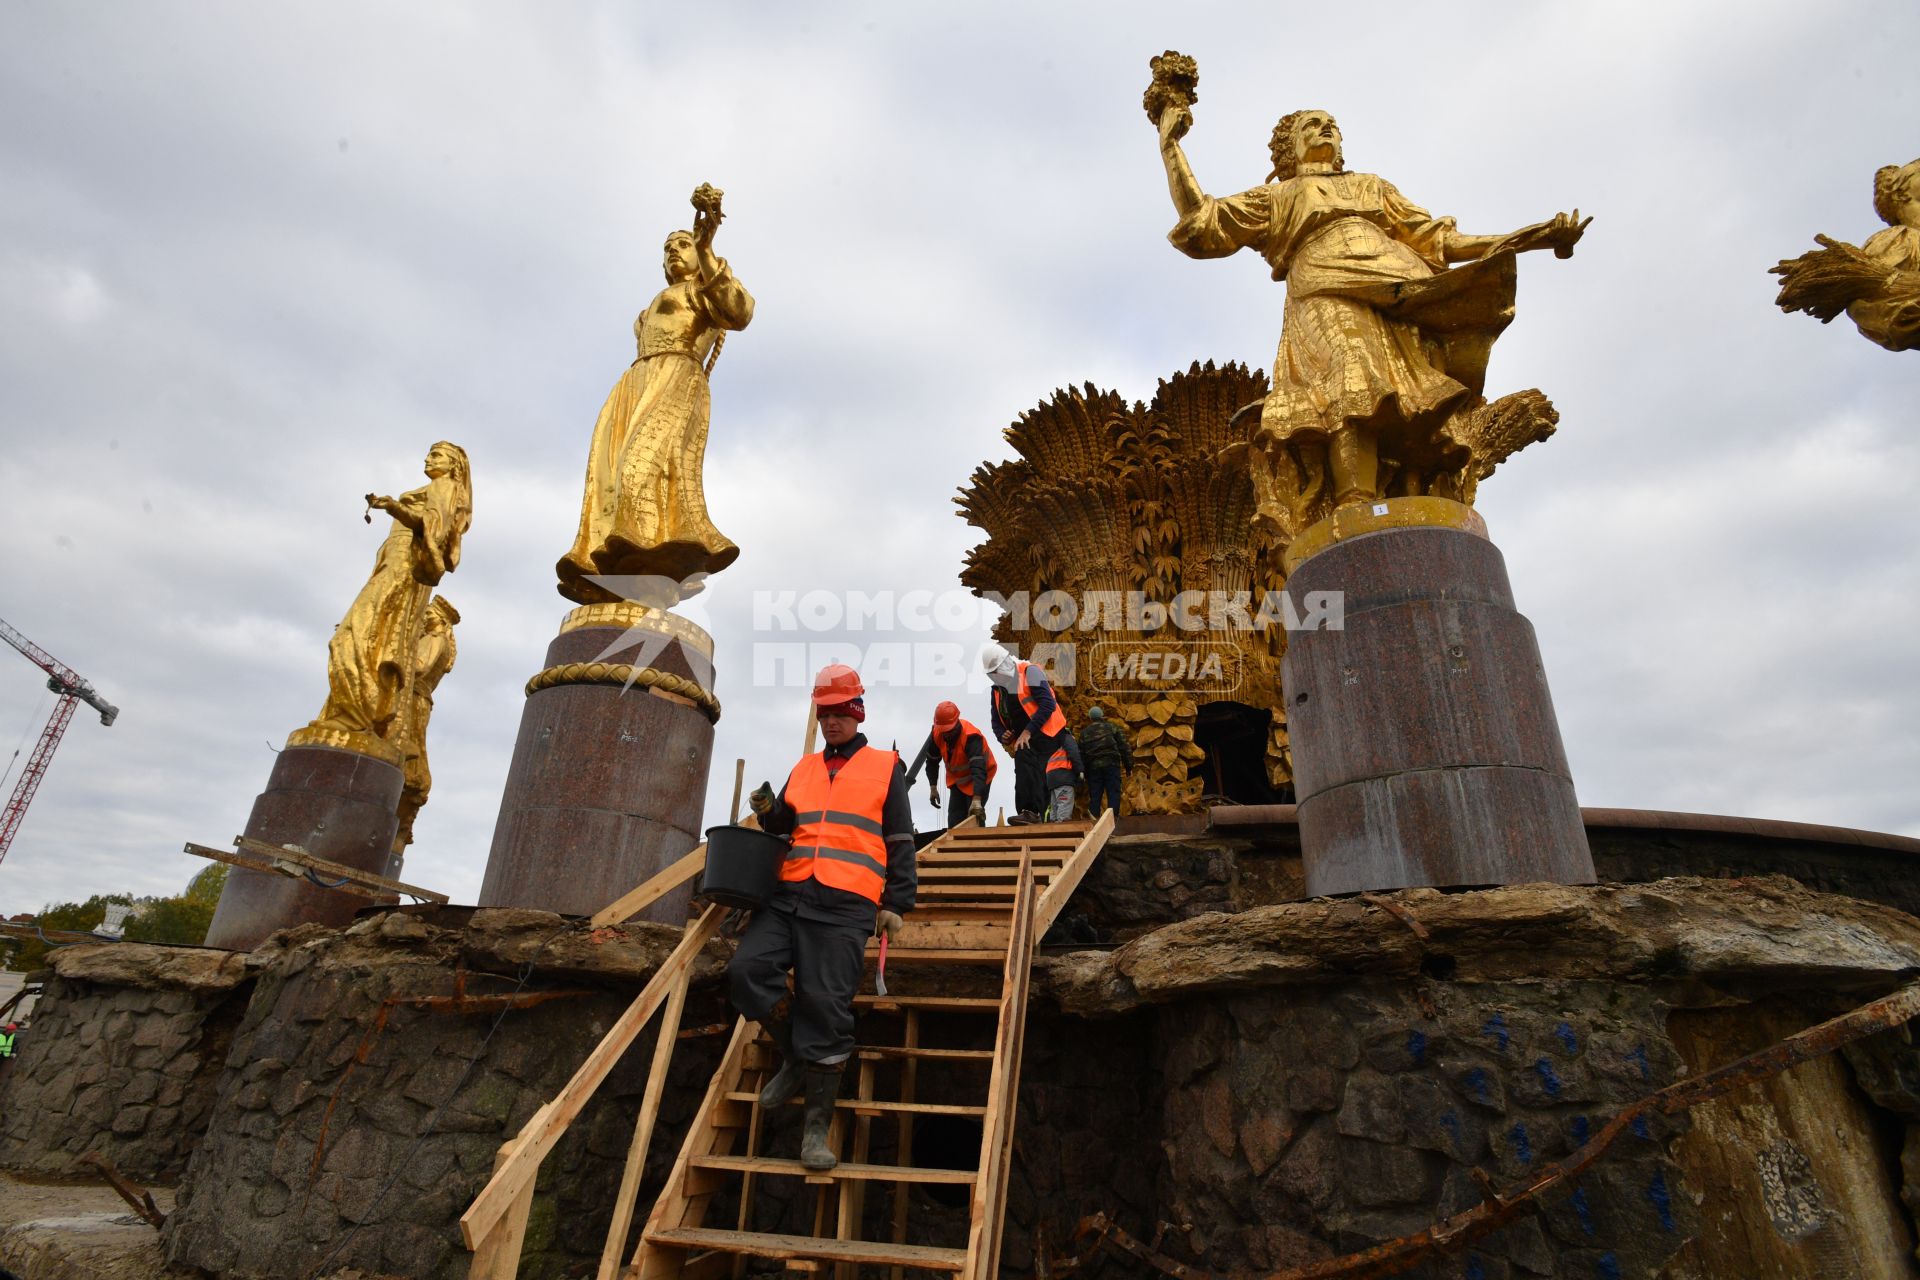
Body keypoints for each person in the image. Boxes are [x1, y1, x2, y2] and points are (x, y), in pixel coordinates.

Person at [1156, 104, 1586, 528]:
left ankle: (1402, 491)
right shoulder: (1279, 196)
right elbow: (1204, 223)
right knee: (1350, 376)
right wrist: (1170, 143)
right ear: (1290, 147)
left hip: (1398, 287)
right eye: (1312, 125)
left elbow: (1439, 239)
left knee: (1405, 392)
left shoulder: (1372, 187)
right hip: (1324, 285)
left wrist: (1532, 237)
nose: (1326, 130)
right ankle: (1353, 501)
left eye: (1332, 125)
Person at [732, 664, 915, 1171]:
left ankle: (815, 1131)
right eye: (824, 713)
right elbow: (788, 824)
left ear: (857, 712)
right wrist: (769, 810)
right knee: (746, 971)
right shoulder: (806, 766)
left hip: (845, 903)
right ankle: (794, 1056)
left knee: (827, 1006)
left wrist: (897, 903)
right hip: (789, 892)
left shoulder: (886, 765)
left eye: (840, 712)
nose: (831, 721)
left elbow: (900, 838)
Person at [558, 188, 756, 602]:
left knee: (641, 464)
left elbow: (739, 311)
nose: (672, 252)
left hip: (677, 375)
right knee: (609, 474)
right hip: (637, 382)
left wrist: (706, 249)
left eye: (680, 244)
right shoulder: (649, 308)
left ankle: (649, 547)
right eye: (667, 248)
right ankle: (613, 554)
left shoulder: (702, 291)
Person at [309, 442, 473, 743]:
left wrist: (396, 508)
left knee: (353, 635)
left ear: (453, 466)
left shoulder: (445, 486)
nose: (427, 458)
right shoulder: (434, 486)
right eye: (429, 453)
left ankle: (359, 715)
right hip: (392, 564)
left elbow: (434, 529)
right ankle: (351, 715)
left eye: (436, 455)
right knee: (365, 635)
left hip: (402, 570)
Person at [982, 643, 1067, 825]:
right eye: (991, 674)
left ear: (1004, 665)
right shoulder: (997, 691)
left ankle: (1048, 817)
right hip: (1023, 739)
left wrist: (1028, 731)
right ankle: (1028, 812)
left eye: (995, 672)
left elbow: (1048, 704)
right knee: (1023, 774)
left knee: (1045, 777)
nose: (994, 677)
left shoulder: (1030, 672)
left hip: (1048, 734)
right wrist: (1002, 735)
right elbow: (996, 721)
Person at [904, 701, 995, 829]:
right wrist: (933, 787)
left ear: (956, 723)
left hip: (980, 776)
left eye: (948, 730)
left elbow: (978, 769)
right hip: (958, 780)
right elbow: (932, 762)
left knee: (974, 817)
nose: (946, 734)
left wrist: (977, 799)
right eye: (943, 730)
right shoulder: (937, 734)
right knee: (955, 820)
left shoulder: (971, 737)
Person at [1079, 705, 1132, 818]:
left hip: (1093, 769)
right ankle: (1112, 821)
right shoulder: (1113, 727)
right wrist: (1129, 767)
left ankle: (1094, 823)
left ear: (1090, 718)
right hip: (1111, 765)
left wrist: (1084, 773)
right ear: (1102, 716)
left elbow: (1081, 754)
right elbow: (1124, 747)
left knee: (1095, 795)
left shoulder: (1084, 733)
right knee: (1113, 793)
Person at [1043, 731, 1084, 822]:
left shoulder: (1051, 743)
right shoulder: (1067, 737)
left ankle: (1053, 831)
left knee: (1055, 807)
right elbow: (1074, 753)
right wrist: (1080, 771)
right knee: (1064, 805)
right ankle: (1062, 830)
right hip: (1063, 776)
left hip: (1051, 778)